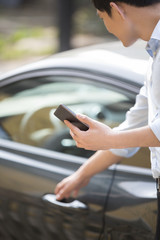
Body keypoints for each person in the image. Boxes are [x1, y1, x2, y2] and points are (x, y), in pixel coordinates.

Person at [55, 0, 160, 239]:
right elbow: (133, 128)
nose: (106, 26)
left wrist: (110, 138)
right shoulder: (155, 56)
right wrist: (82, 174)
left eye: (102, 17)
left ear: (118, 9)